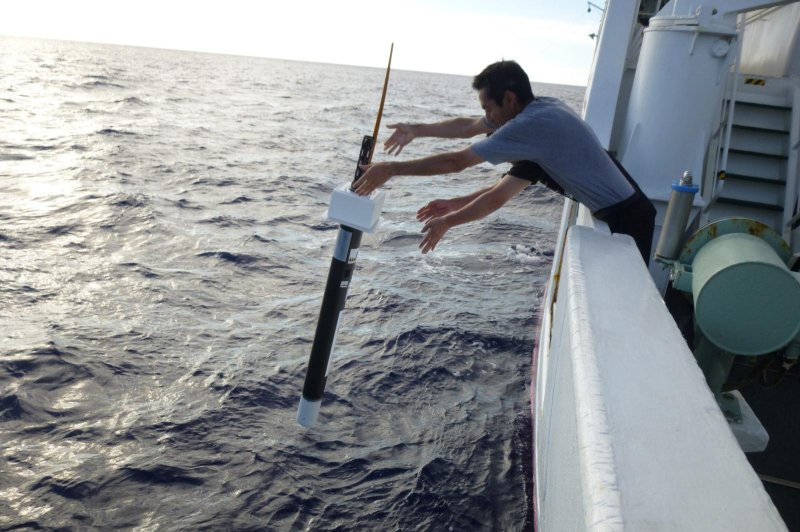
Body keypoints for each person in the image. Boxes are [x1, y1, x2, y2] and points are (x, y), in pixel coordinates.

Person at [353, 60, 656, 263]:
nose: (487, 117)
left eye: (489, 108)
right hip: (623, 208)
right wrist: (416, 131)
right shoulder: (541, 115)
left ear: (509, 99)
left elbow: (458, 162)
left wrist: (391, 169)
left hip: (628, 218)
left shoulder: (531, 127)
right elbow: (475, 142)